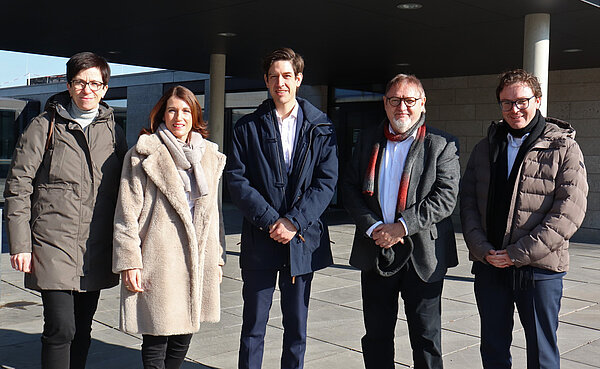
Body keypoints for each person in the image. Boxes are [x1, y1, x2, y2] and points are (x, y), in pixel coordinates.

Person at [4, 51, 127, 369]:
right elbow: (18, 186)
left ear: (105, 87)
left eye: (95, 83)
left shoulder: (113, 130)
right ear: (69, 85)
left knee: (83, 328)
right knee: (62, 327)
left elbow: (129, 187)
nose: (87, 89)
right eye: (80, 82)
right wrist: (20, 244)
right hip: (51, 243)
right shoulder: (43, 126)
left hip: (95, 246)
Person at [460, 69, 588, 369]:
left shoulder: (563, 147)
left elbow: (570, 211)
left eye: (521, 101)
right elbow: (467, 203)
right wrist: (481, 249)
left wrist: (517, 254)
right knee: (493, 349)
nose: (513, 109)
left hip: (538, 270)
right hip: (490, 265)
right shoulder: (485, 148)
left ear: (538, 101)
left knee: (542, 353)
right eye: (506, 103)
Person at [225, 47, 338, 369]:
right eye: (274, 76)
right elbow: (236, 179)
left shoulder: (322, 127)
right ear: (266, 80)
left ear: (299, 79)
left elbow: (326, 182)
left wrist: (294, 222)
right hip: (261, 239)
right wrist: (271, 221)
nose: (280, 83)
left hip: (301, 242)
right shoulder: (247, 127)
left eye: (287, 76)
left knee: (296, 328)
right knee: (253, 329)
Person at [342, 74, 460, 369]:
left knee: (426, 339)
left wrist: (401, 227)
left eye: (409, 101)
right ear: (385, 103)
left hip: (423, 257)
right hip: (376, 250)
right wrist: (373, 227)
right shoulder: (368, 139)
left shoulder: (442, 144)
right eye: (395, 100)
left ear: (422, 104)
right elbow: (349, 187)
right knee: (377, 336)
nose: (402, 107)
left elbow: (444, 198)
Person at [112, 85, 226, 369]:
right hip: (157, 259)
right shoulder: (143, 154)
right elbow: (126, 214)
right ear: (161, 115)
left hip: (197, 259)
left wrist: (218, 259)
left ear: (195, 115)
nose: (179, 117)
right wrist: (129, 262)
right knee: (156, 342)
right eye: (172, 110)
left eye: (186, 111)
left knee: (182, 341)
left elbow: (214, 214)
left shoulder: (209, 156)